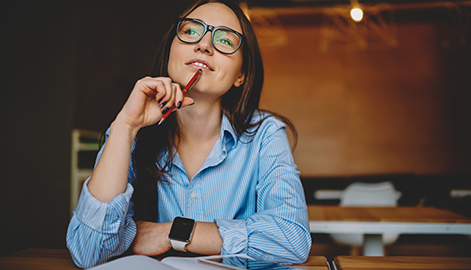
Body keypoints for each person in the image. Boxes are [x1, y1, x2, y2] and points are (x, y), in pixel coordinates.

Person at [66, 0, 312, 268]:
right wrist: (125, 126)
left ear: (241, 74)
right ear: (170, 50)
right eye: (191, 31)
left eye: (225, 41)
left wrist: (174, 232)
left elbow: (292, 238)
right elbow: (87, 251)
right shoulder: (132, 129)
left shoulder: (265, 134)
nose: (204, 45)